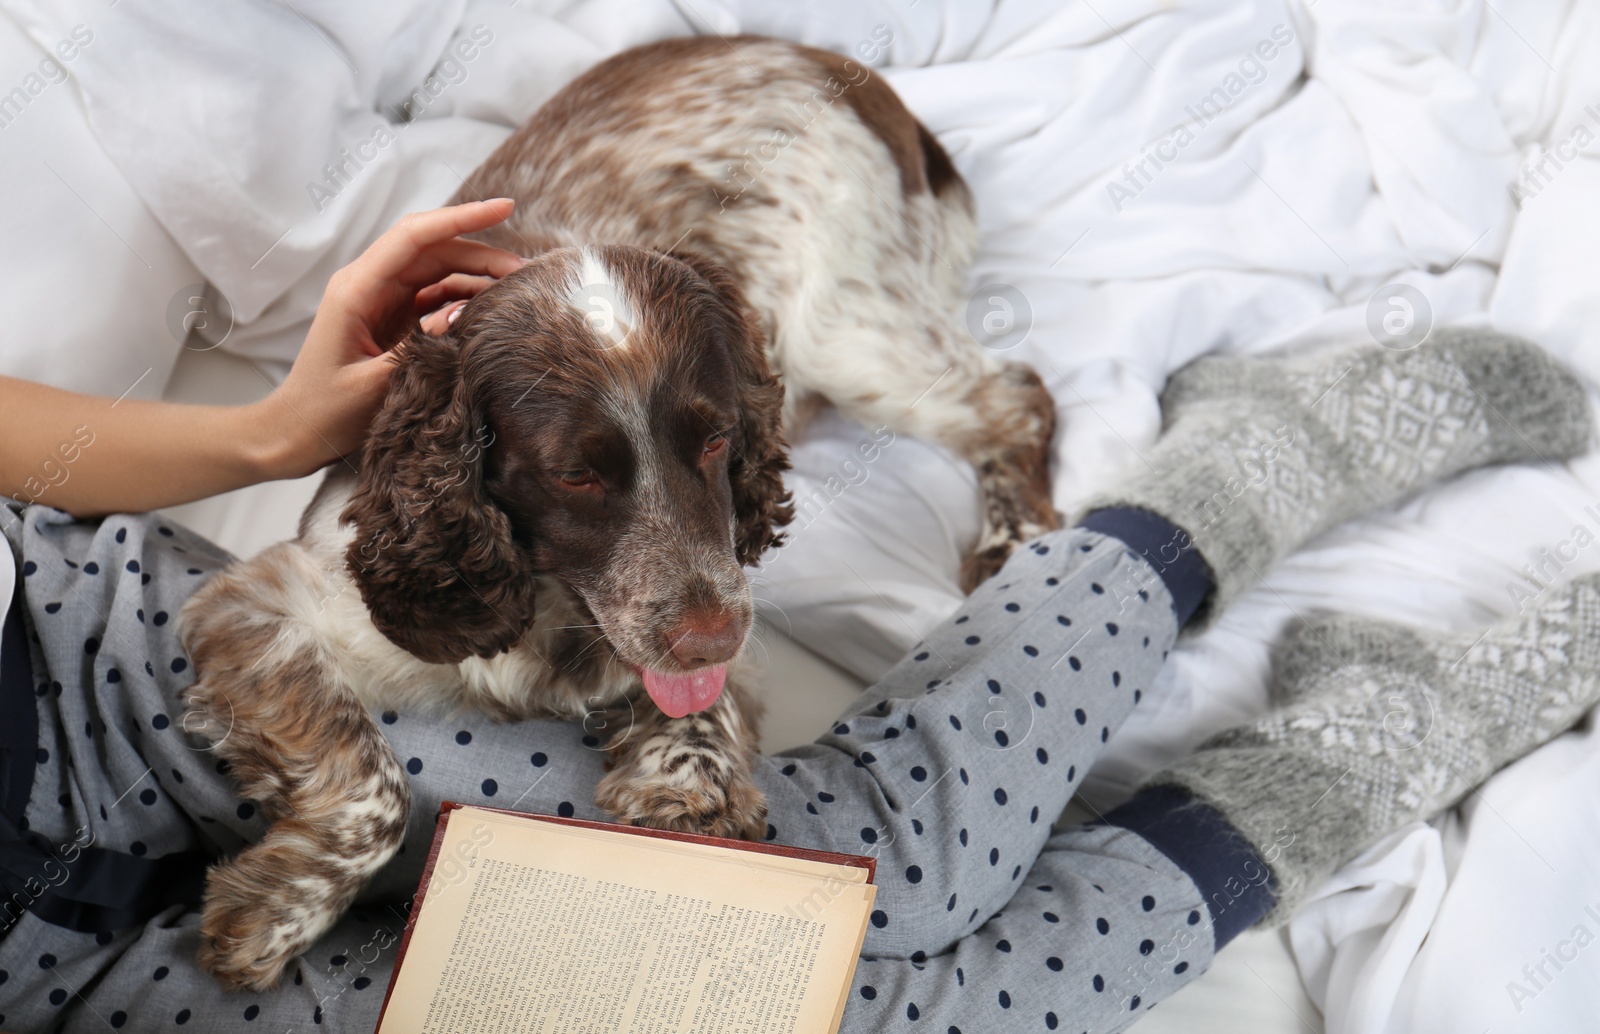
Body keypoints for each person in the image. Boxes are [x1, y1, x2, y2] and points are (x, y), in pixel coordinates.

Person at [0, 200, 1594, 1033]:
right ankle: (1362, 741)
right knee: (839, 1000)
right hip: (62, 995)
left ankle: (1260, 481)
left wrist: (267, 439)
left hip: (84, 674)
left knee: (856, 871)